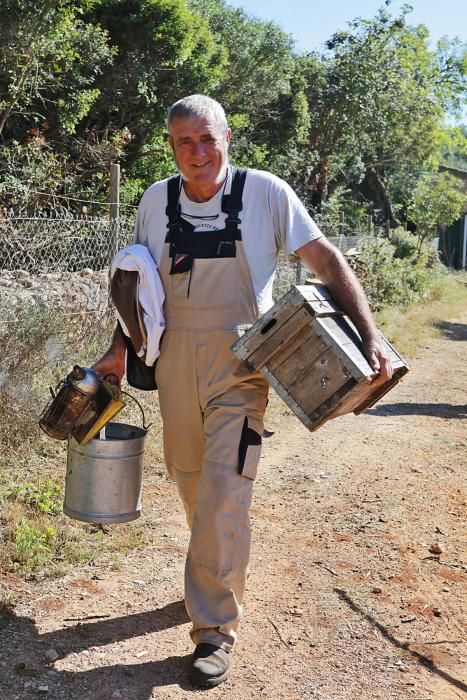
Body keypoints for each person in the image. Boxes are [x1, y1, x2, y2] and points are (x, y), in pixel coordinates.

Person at [94, 94, 392, 688]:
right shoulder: (156, 200)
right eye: (185, 143)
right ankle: (215, 562)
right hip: (174, 360)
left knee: (224, 491)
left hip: (244, 362)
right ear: (172, 146)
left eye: (208, 139)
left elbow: (326, 259)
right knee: (189, 479)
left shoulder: (267, 194)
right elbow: (141, 288)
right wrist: (118, 350)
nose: (198, 153)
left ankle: (213, 629)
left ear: (227, 137)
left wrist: (371, 333)